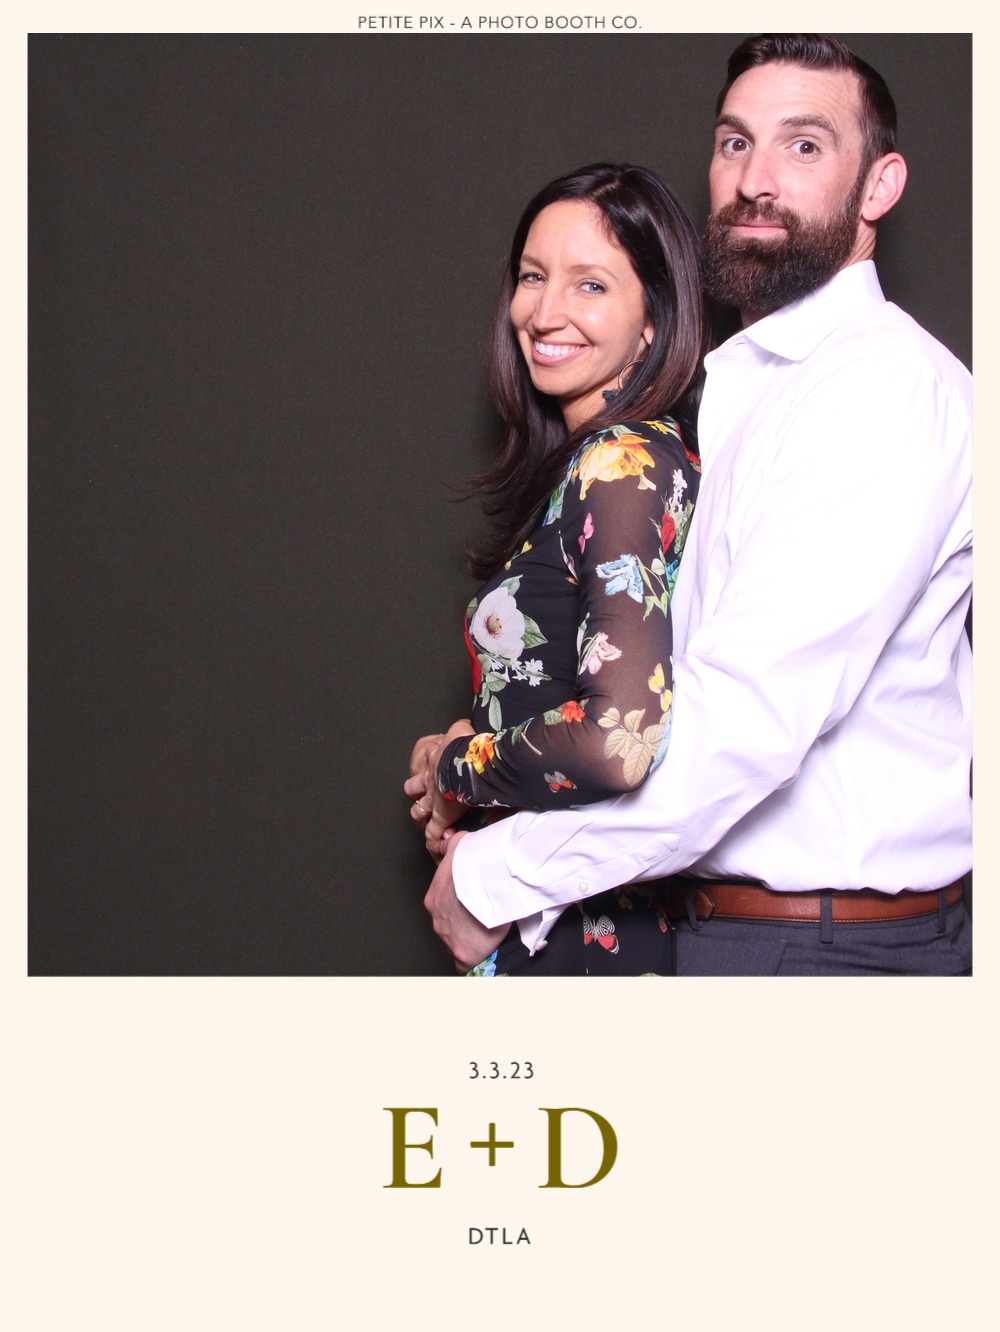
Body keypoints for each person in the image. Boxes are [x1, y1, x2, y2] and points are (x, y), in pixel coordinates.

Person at [423, 33, 972, 977]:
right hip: (738, 934)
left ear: (879, 186)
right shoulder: (746, 393)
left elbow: (740, 722)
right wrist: (483, 754)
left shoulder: (878, 388)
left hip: (830, 954)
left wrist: (496, 871)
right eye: (734, 143)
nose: (756, 179)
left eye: (804, 145)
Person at [404, 163, 709, 974]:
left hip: (593, 936)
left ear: (654, 321)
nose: (543, 313)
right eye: (533, 276)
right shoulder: (594, 465)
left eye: (590, 284)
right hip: (541, 913)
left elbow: (619, 742)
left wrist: (455, 767)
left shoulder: (621, 465)